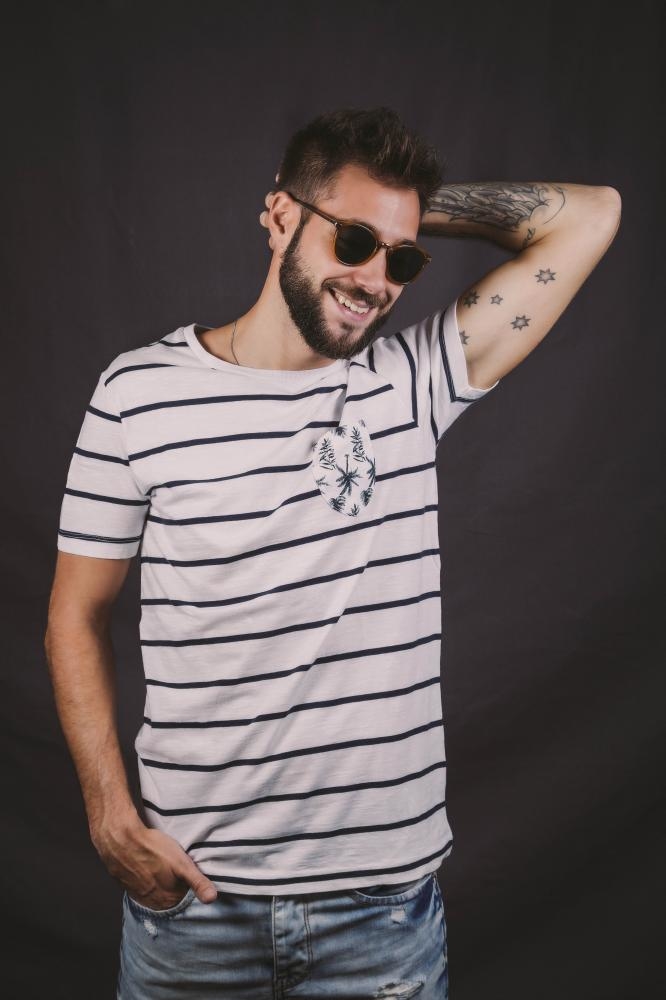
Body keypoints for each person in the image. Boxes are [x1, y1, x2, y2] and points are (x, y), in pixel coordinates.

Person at [44, 106, 621, 999]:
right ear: (279, 216)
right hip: (193, 905)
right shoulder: (138, 394)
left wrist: (400, 214)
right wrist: (108, 814)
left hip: (381, 924)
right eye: (352, 241)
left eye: (402, 259)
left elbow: (593, 214)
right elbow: (74, 616)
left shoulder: (411, 384)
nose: (376, 279)